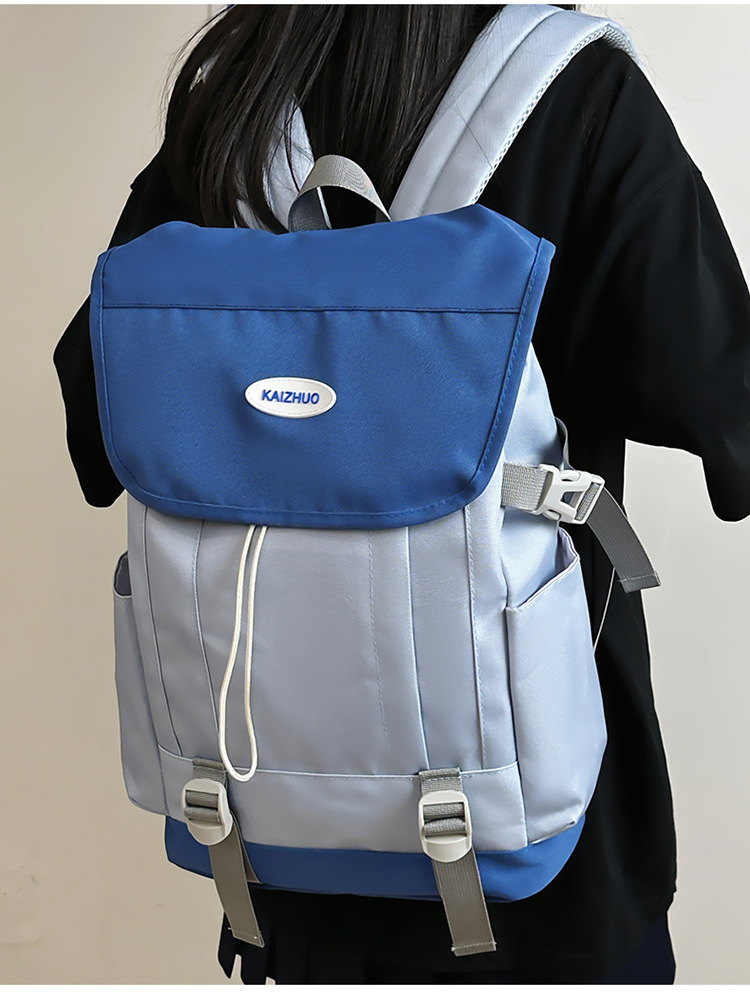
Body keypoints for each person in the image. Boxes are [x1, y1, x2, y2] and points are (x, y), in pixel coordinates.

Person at [53, 5, 750, 986]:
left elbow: (97, 434)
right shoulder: (573, 94)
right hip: (548, 865)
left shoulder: (235, 107)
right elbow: (726, 415)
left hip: (272, 852)